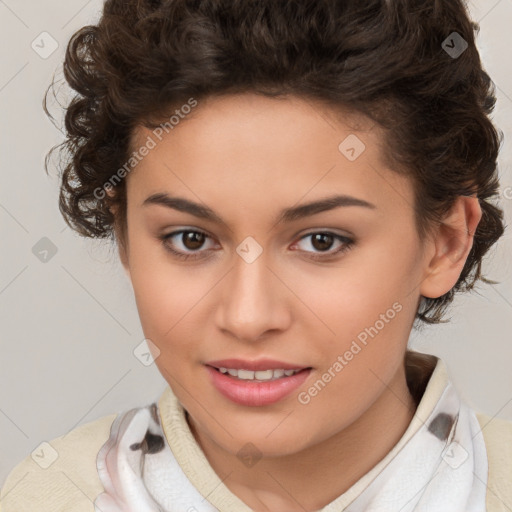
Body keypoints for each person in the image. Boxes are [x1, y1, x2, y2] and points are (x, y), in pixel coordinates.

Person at [1, 0, 511, 510]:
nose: (248, 317)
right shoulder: (44, 498)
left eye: (322, 241)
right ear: (125, 236)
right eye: (190, 239)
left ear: (445, 244)